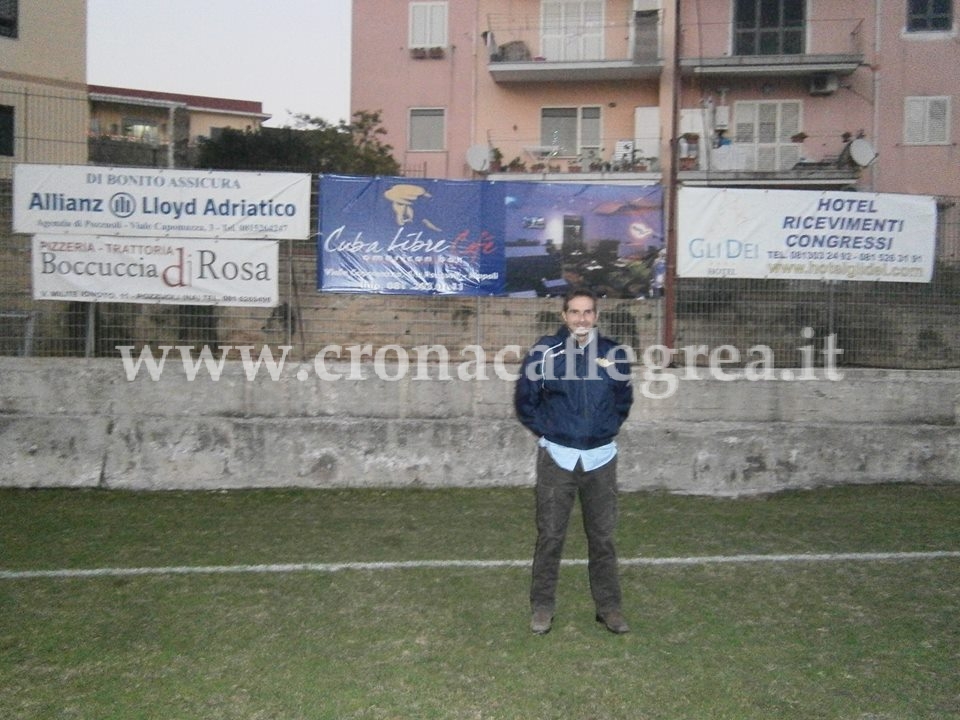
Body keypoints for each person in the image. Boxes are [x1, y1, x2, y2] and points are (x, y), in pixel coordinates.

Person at [515, 287, 634, 635]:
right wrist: (550, 434)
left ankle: (609, 608)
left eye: (588, 312)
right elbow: (525, 400)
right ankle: (542, 607)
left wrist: (605, 429)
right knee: (550, 535)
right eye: (574, 312)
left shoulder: (613, 352)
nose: (581, 319)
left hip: (601, 458)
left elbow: (623, 400)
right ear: (564, 316)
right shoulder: (545, 351)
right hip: (558, 458)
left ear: (596, 316)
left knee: (603, 538)